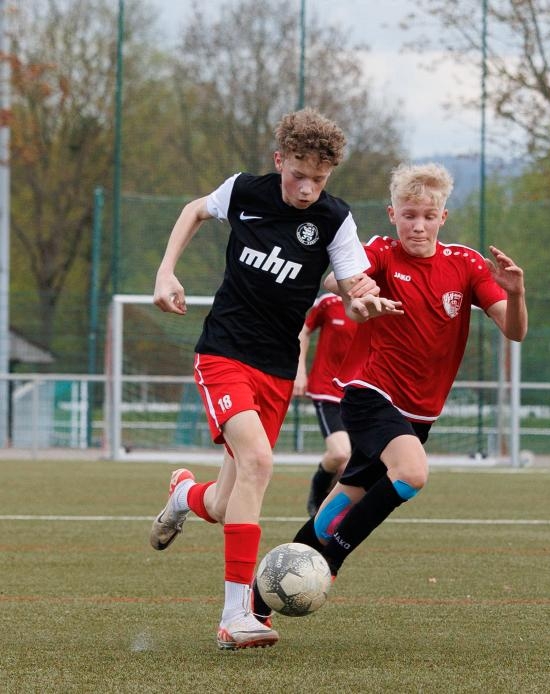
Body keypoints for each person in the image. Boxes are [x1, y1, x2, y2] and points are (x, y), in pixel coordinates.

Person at [252, 161, 527, 623]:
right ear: (392, 213)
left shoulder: (465, 264)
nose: (417, 225)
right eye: (408, 215)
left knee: (338, 507)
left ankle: (258, 600)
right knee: (412, 473)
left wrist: (516, 295)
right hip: (368, 393)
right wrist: (355, 287)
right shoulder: (380, 251)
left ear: (443, 217)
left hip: (418, 414)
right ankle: (331, 562)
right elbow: (336, 279)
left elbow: (515, 332)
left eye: (428, 216)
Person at [148, 108, 376, 650]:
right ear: (280, 161)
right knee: (258, 461)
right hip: (223, 353)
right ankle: (235, 617)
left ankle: (183, 496)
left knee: (223, 503)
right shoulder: (244, 191)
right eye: (298, 175)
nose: (307, 188)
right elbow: (194, 209)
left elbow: (353, 287)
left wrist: (366, 301)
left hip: (275, 369)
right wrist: (165, 270)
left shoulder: (335, 219)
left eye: (318, 179)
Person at [296, 292, 357, 516]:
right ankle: (318, 493)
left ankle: (333, 512)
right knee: (340, 454)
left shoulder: (378, 304)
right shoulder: (329, 302)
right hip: (327, 390)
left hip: (358, 394)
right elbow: (304, 331)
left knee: (353, 464)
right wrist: (300, 371)